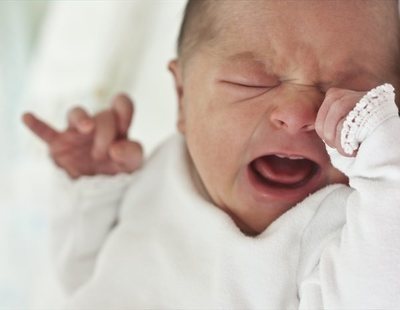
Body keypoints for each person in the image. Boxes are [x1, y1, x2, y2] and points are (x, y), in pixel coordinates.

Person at [23, 0, 400, 308]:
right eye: (251, 82)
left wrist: (387, 167)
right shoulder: (163, 170)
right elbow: (82, 276)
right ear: (183, 97)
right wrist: (92, 189)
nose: (297, 114)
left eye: (351, 94)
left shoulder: (350, 223)